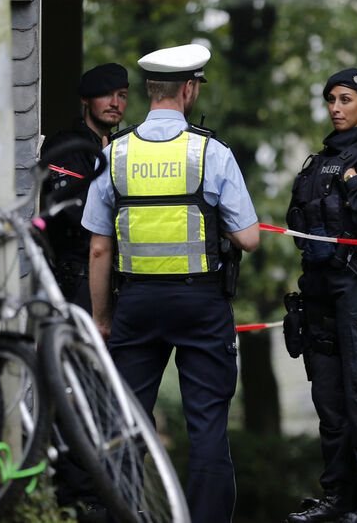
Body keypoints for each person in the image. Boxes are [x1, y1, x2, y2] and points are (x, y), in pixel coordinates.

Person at [81, 43, 260, 523]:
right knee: (207, 429)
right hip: (201, 303)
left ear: (147, 91)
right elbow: (249, 239)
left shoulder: (114, 154)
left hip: (135, 304)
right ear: (188, 89)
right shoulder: (210, 153)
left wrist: (103, 319)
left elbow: (99, 248)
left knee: (126, 423)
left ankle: (121, 514)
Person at [285, 68, 357, 523]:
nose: (337, 108)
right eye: (332, 99)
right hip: (319, 295)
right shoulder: (316, 164)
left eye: (347, 99)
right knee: (330, 402)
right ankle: (336, 495)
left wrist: (354, 182)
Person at [39, 62, 129, 313]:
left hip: (113, 279)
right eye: (105, 94)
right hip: (76, 279)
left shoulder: (121, 148)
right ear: (85, 99)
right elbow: (77, 215)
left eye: (121, 95)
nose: (115, 102)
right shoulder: (67, 147)